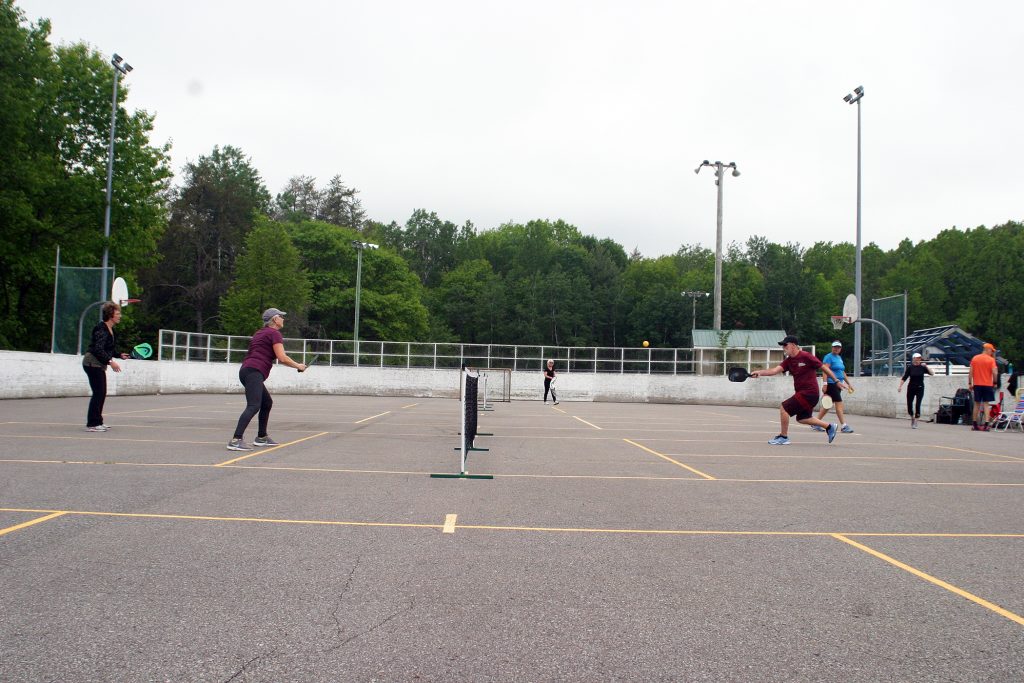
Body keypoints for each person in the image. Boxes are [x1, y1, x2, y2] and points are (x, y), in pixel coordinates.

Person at [227, 308, 306, 451]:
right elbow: (282, 358)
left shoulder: (260, 333)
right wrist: (298, 365)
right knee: (254, 405)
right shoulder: (274, 333)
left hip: (247, 371)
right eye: (281, 316)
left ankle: (262, 437)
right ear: (275, 319)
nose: (283, 319)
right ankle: (236, 440)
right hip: (254, 371)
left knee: (266, 402)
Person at [751, 335, 842, 445]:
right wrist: (759, 372)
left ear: (793, 345)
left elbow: (824, 368)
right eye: (782, 346)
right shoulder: (788, 361)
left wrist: (836, 381)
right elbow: (774, 370)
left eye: (785, 345)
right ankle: (829, 427)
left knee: (784, 408)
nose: (783, 348)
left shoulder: (806, 356)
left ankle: (783, 437)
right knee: (803, 418)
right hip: (802, 393)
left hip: (809, 392)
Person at [82, 301, 129, 432]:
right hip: (92, 363)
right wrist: (110, 361)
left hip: (98, 364)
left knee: (101, 393)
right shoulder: (101, 328)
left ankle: (98, 422)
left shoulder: (110, 330)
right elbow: (98, 349)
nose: (120, 316)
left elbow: (107, 349)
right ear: (110, 315)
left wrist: (119, 355)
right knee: (99, 392)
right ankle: (92, 424)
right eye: (118, 313)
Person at [811, 341, 855, 433]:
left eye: (838, 347)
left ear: (840, 348)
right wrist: (825, 383)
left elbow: (842, 372)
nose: (836, 348)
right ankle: (844, 426)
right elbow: (825, 370)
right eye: (835, 347)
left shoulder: (839, 358)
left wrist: (849, 383)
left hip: (839, 384)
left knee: (827, 406)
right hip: (832, 384)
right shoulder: (828, 357)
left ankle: (815, 423)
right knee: (839, 404)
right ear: (832, 347)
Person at [897, 352, 934, 428]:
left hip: (920, 388)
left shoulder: (922, 367)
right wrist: (900, 386)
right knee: (909, 404)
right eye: (916, 358)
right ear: (913, 359)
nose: (918, 360)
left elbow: (932, 373)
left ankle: (916, 421)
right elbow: (904, 378)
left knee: (918, 404)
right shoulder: (910, 368)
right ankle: (912, 417)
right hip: (911, 387)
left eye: (919, 358)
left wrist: (926, 367)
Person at [968, 342, 998, 431]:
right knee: (986, 404)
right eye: (991, 351)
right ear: (987, 349)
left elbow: (971, 372)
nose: (992, 353)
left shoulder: (975, 358)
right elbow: (995, 372)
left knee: (976, 404)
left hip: (977, 384)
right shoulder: (991, 360)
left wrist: (970, 383)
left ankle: (974, 424)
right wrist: (995, 382)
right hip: (987, 384)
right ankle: (986, 424)